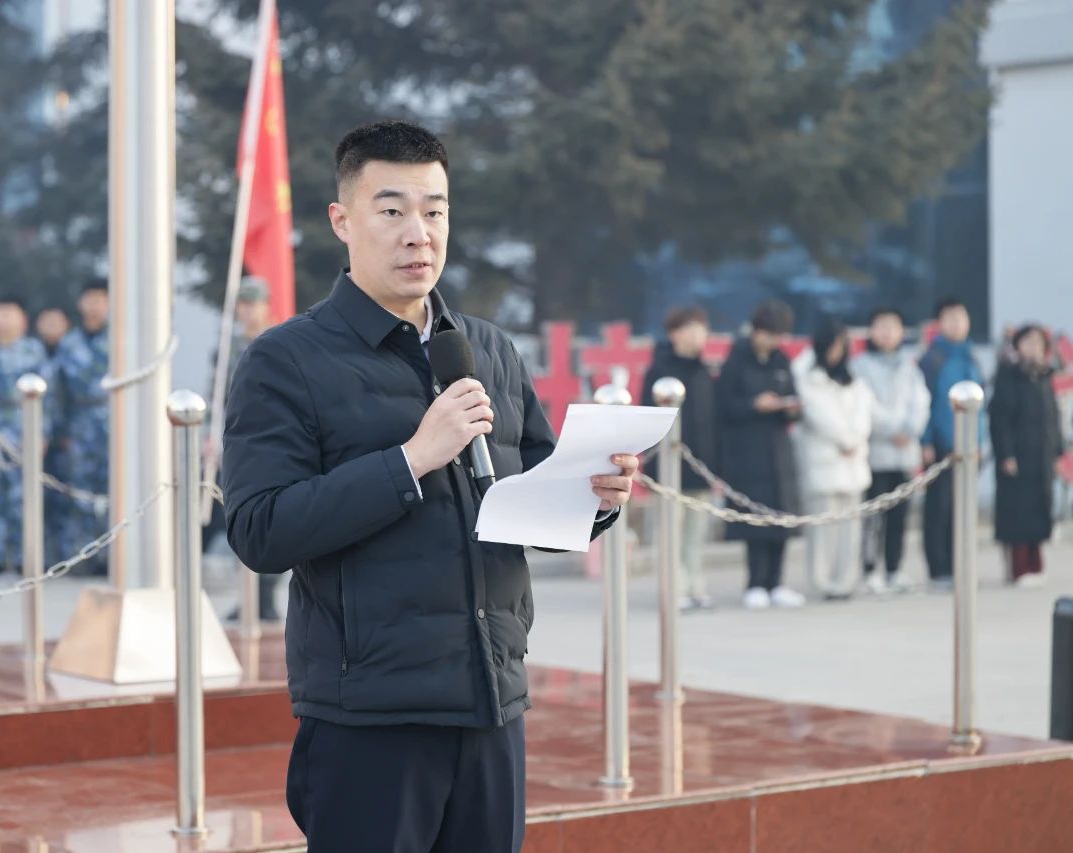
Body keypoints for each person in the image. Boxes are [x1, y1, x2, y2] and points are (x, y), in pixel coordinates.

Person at [221, 120, 638, 853]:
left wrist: (594, 497)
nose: (419, 233)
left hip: (491, 700)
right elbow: (261, 530)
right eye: (392, 210)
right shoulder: (286, 361)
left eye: (435, 210)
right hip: (371, 718)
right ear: (342, 221)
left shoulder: (487, 349)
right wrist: (411, 459)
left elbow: (529, 502)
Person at [716, 299, 806, 610]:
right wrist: (754, 404)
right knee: (755, 519)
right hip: (748, 450)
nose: (774, 341)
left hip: (779, 448)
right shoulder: (737, 359)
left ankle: (776, 582)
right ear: (756, 331)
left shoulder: (782, 360)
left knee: (781, 517)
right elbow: (725, 404)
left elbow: (794, 399)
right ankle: (755, 583)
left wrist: (791, 408)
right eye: (770, 334)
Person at [201, 276, 281, 620]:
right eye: (242, 304)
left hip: (274, 440)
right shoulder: (228, 349)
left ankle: (265, 598)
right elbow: (216, 394)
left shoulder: (282, 340)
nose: (247, 311)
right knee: (237, 518)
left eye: (253, 304)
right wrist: (209, 434)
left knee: (272, 519)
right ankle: (247, 598)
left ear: (265, 305)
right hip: (236, 442)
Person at [641, 306, 719, 611]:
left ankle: (695, 586)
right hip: (668, 466)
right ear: (674, 334)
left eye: (702, 328)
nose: (699, 335)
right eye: (691, 328)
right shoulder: (659, 370)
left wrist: (715, 465)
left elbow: (713, 420)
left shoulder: (704, 371)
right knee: (670, 533)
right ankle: (674, 589)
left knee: (696, 533)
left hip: (701, 466)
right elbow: (648, 418)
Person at [793, 318, 873, 600]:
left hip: (852, 462)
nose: (837, 351)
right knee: (823, 527)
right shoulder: (807, 376)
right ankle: (823, 581)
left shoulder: (853, 378)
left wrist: (855, 438)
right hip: (825, 459)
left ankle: (846, 581)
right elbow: (817, 412)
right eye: (833, 344)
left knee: (851, 528)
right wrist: (845, 439)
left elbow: (864, 410)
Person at [852, 309, 930, 594]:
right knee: (873, 516)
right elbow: (863, 404)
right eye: (881, 326)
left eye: (893, 327)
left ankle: (894, 569)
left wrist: (910, 429)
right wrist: (892, 429)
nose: (887, 332)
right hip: (876, 454)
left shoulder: (909, 366)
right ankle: (870, 569)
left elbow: (921, 402)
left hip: (904, 453)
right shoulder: (860, 366)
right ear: (871, 331)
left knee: (900, 517)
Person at [0, 296, 52, 577]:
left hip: (25, 427)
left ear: (23, 319)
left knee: (26, 494)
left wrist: (43, 431)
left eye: (11, 313)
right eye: (0, 313)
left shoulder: (34, 351)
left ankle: (26, 557)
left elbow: (49, 395)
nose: (5, 319)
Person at [989, 325, 1065, 587]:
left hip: (1041, 456)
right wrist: (1006, 454)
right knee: (1017, 512)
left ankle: (1036, 564)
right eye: (1027, 342)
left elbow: (1053, 417)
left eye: (1038, 343)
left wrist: (1058, 451)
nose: (1033, 348)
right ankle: (1019, 567)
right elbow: (1000, 420)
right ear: (1017, 346)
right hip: (1017, 457)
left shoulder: (1044, 377)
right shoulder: (1008, 375)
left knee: (1040, 509)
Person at [919, 298, 983, 591]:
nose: (957, 323)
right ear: (940, 323)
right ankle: (939, 569)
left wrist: (979, 441)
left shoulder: (971, 358)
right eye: (950, 318)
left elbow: (981, 407)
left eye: (961, 317)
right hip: (941, 445)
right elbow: (924, 403)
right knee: (939, 509)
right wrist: (926, 440)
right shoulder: (932, 360)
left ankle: (960, 566)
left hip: (969, 446)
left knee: (963, 509)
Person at [53, 280, 110, 575]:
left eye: (101, 299)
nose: (95, 305)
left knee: (116, 492)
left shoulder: (121, 339)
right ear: (81, 304)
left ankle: (113, 558)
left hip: (114, 423)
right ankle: (81, 557)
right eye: (90, 299)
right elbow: (58, 389)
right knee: (79, 493)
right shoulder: (69, 343)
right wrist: (59, 430)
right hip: (79, 425)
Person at [37, 305, 73, 567]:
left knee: (67, 494)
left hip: (70, 435)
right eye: (47, 321)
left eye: (56, 321)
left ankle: (69, 553)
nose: (51, 327)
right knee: (43, 495)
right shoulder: (34, 354)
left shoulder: (70, 351)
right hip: (37, 434)